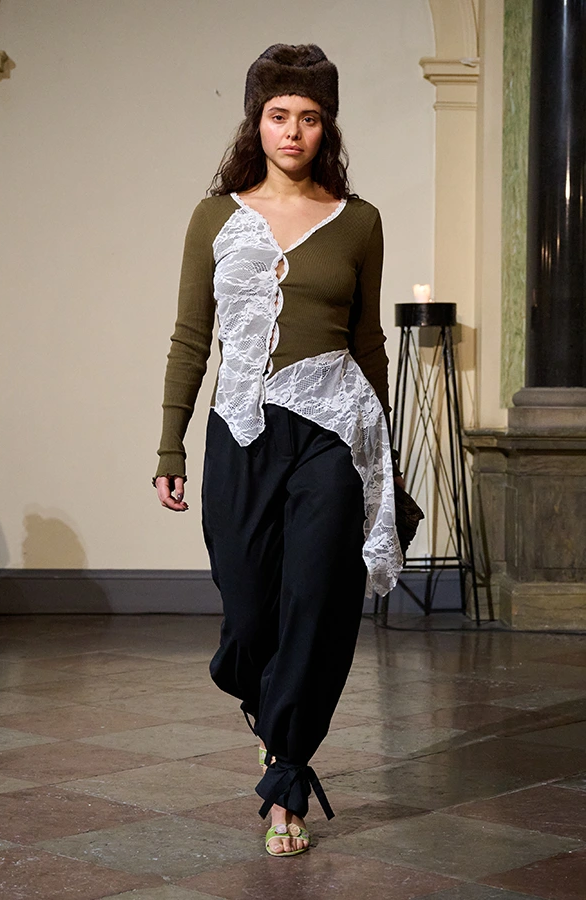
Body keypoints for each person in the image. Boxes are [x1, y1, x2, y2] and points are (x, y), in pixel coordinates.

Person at [154, 43, 404, 857]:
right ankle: (271, 717)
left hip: (333, 431)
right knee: (251, 612)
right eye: (278, 115)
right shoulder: (215, 218)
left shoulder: (359, 221)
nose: (293, 130)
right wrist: (170, 448)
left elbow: (368, 343)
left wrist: (387, 462)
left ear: (326, 126)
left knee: (317, 600)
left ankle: (287, 777)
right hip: (241, 430)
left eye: (309, 117)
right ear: (256, 123)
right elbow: (191, 339)